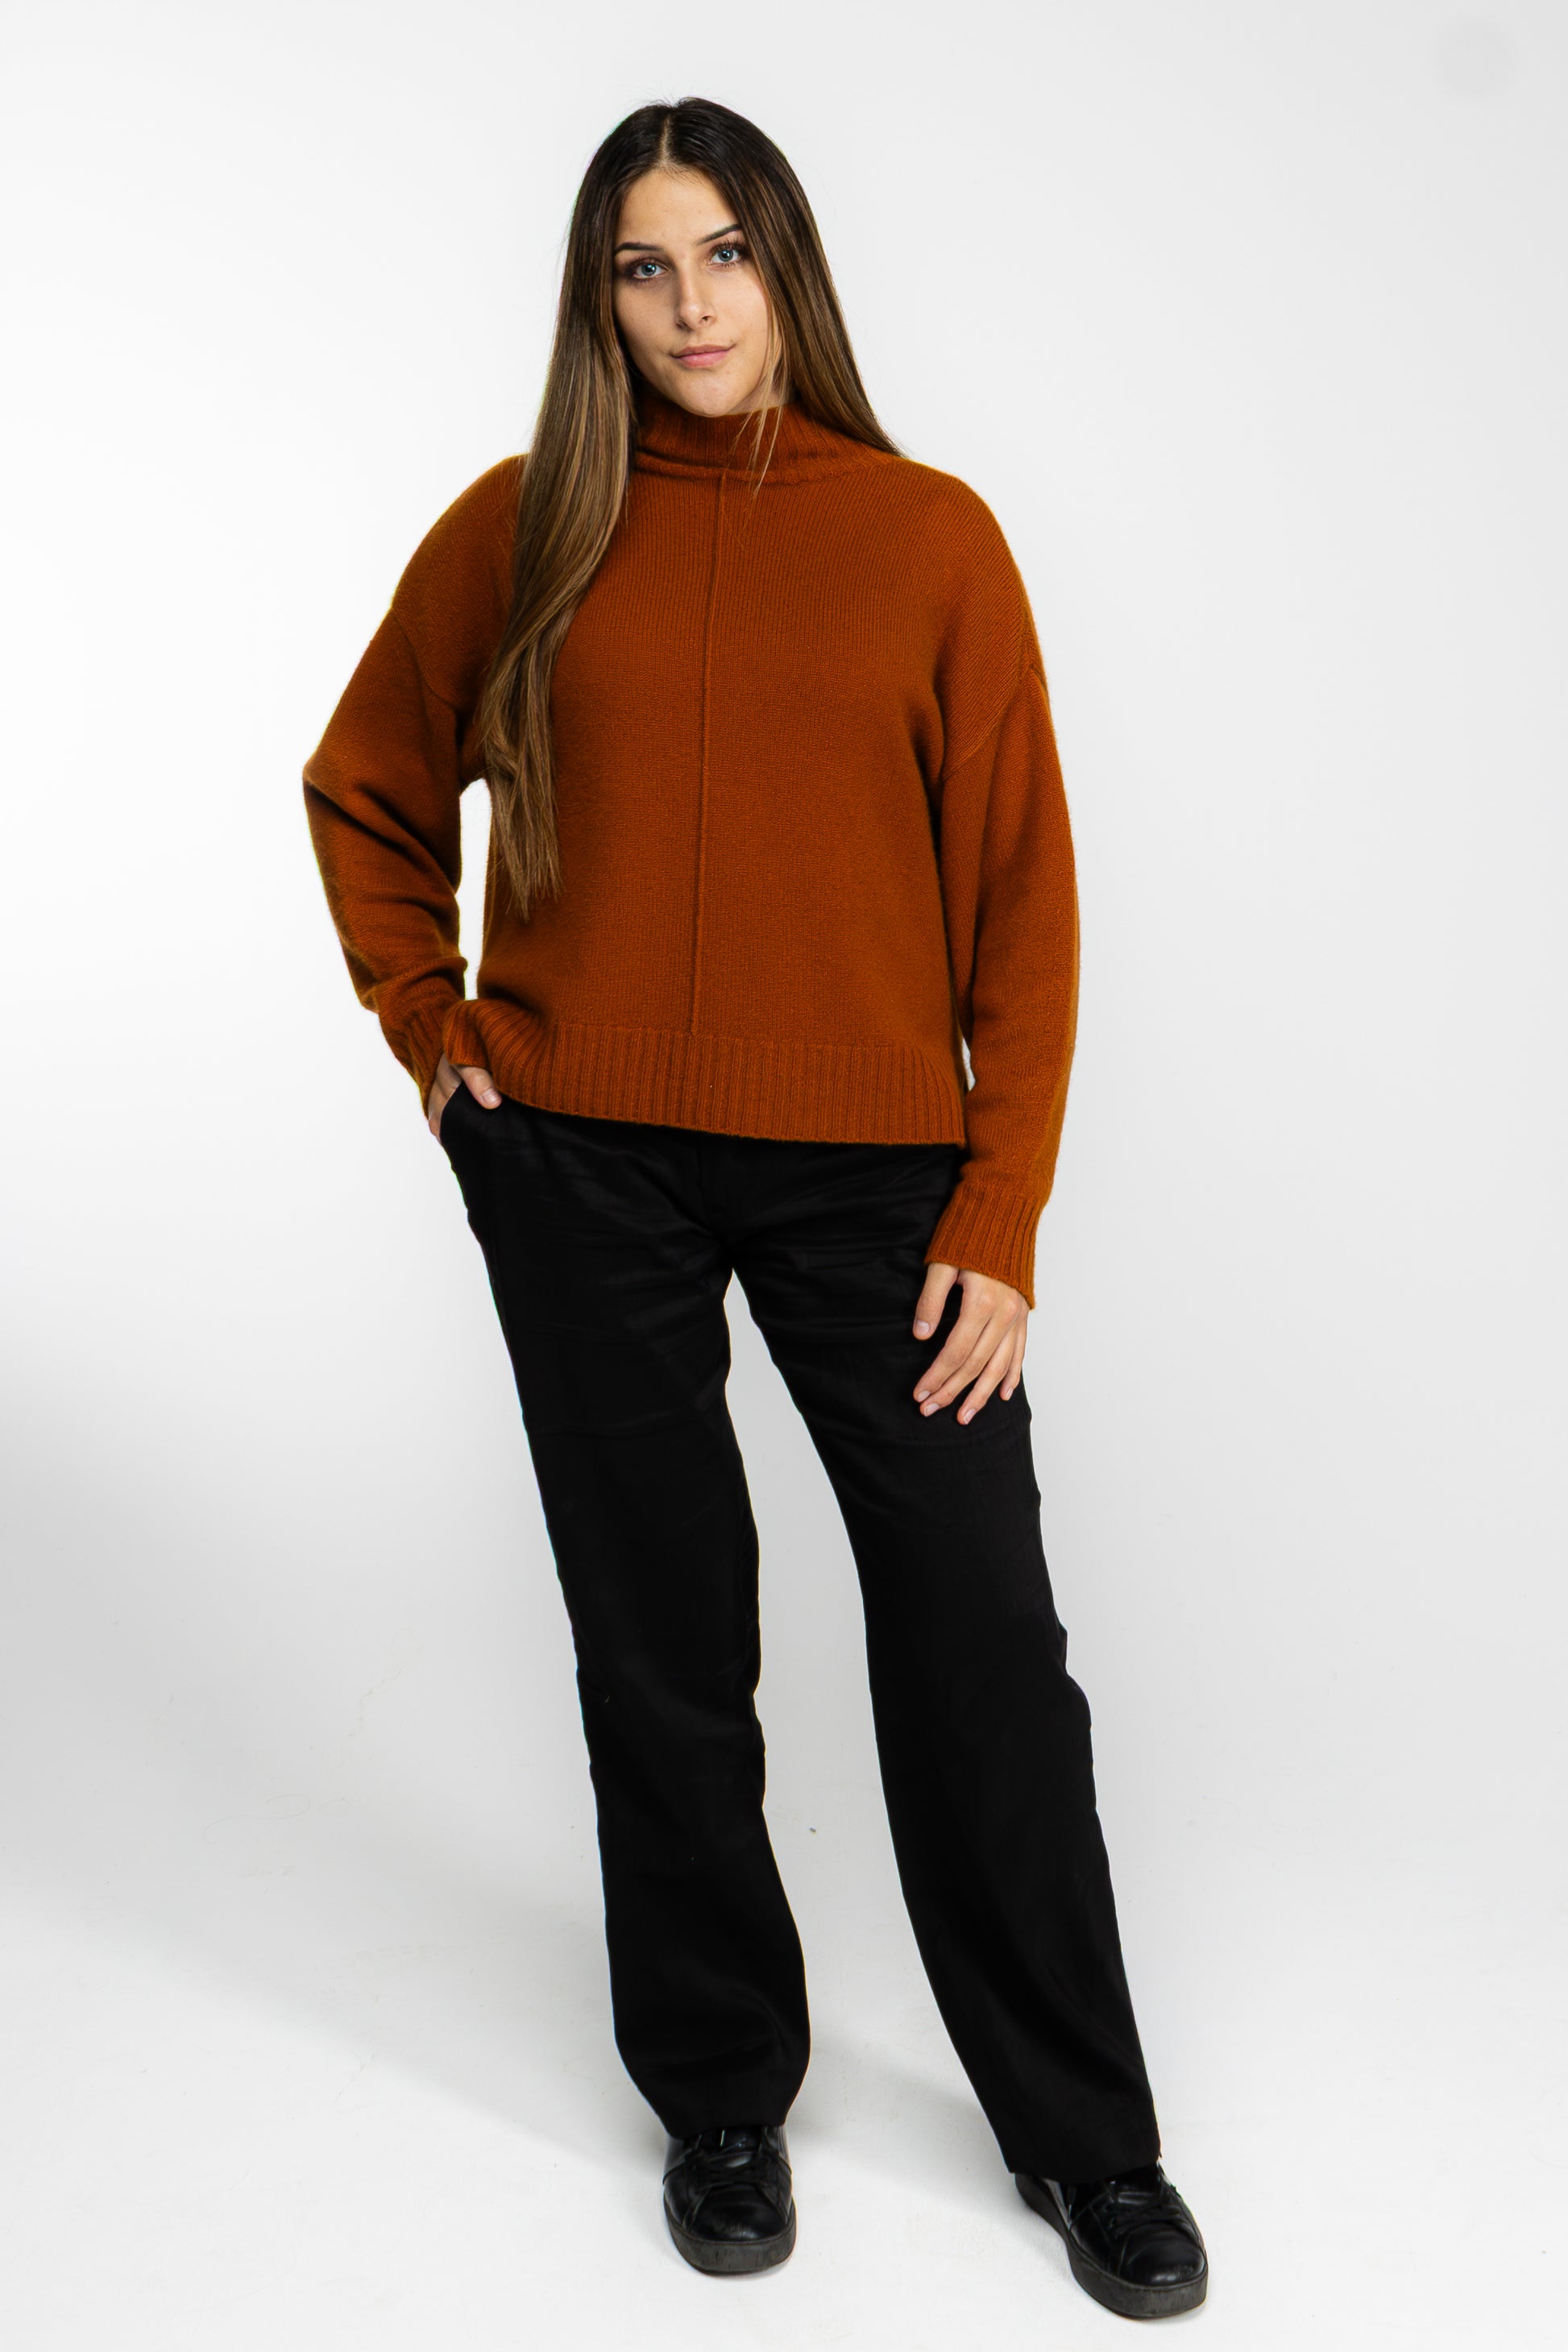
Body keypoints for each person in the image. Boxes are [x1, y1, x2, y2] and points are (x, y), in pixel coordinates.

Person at [302, 96, 1208, 2320]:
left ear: (787, 265)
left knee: (983, 1645)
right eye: (645, 265)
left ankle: (1085, 2135)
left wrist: (1001, 1207)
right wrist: (438, 1033)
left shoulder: (930, 540)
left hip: (879, 1180)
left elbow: (1024, 903)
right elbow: (367, 787)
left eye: (724, 254)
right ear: (596, 298)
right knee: (665, 1640)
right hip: (581, 1160)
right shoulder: (524, 528)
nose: (691, 305)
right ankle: (721, 2095)